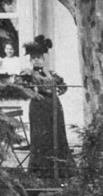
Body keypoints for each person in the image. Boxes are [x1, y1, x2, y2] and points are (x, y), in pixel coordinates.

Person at [19, 35, 74, 179]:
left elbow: (63, 86)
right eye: (34, 58)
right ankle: (40, 173)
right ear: (30, 60)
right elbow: (20, 86)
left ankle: (59, 171)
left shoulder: (51, 73)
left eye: (39, 58)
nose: (36, 60)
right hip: (38, 107)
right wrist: (32, 91)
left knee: (57, 136)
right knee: (40, 138)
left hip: (54, 106)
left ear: (43, 59)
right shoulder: (27, 73)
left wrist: (57, 92)